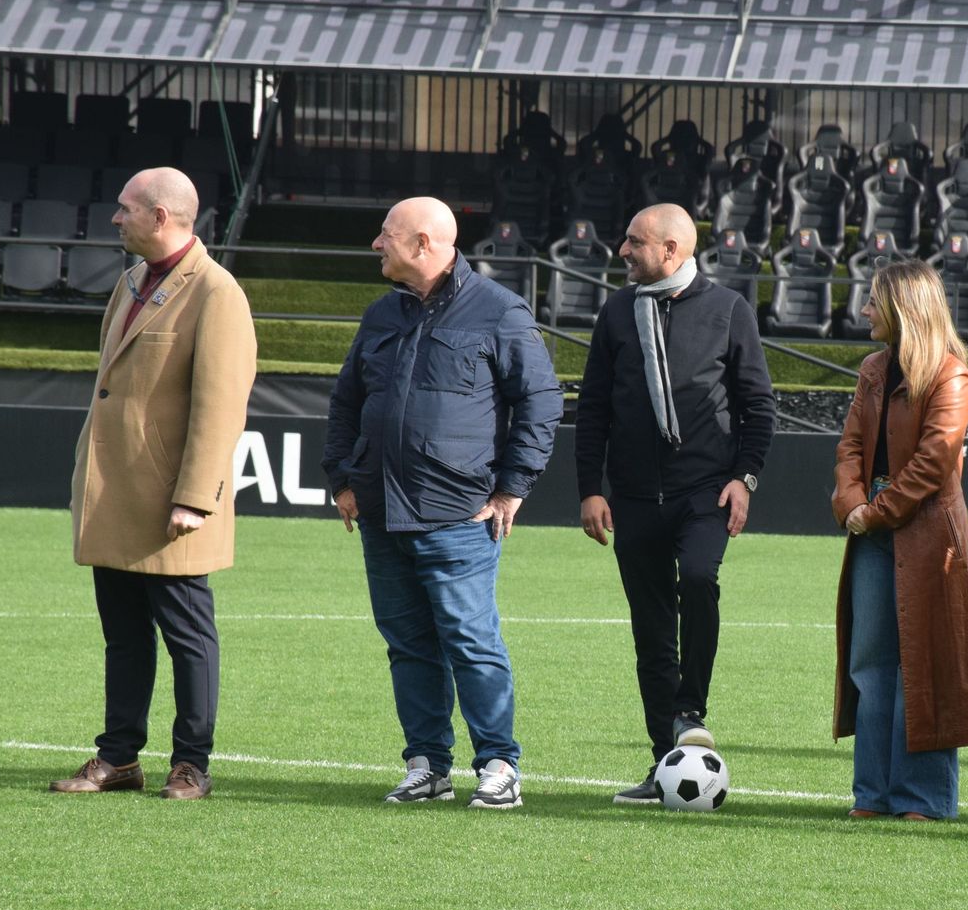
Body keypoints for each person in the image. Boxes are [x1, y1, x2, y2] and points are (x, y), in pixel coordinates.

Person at [322, 196, 561, 808]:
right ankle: (427, 765)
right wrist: (342, 480)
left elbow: (541, 402)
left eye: (387, 234)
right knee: (407, 644)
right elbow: (346, 401)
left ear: (423, 243)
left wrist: (513, 487)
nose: (376, 244)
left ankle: (500, 765)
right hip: (380, 511)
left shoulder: (500, 311)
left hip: (458, 514)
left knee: (471, 640)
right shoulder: (380, 314)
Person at [52, 167, 256, 800]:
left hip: (172, 502)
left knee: (188, 637)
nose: (116, 218)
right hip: (115, 494)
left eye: (125, 208)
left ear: (162, 216)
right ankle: (118, 757)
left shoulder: (217, 292)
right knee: (123, 635)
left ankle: (191, 763)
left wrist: (194, 498)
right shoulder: (130, 281)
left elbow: (221, 405)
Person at [575, 203, 776, 803]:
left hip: (704, 491)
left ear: (671, 250)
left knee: (699, 578)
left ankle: (691, 710)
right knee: (651, 632)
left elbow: (757, 407)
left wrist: (745, 478)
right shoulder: (616, 311)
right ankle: (664, 762)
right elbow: (593, 410)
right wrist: (590, 488)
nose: (622, 251)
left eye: (634, 242)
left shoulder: (729, 310)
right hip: (633, 497)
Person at [831, 259, 968, 820]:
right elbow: (849, 447)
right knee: (871, 663)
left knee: (927, 663)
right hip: (872, 521)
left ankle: (922, 798)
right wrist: (851, 503)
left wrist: (874, 512)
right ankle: (872, 796)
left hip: (927, 533)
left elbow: (935, 461)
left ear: (902, 309)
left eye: (873, 301)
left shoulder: (949, 373)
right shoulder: (873, 368)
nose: (865, 310)